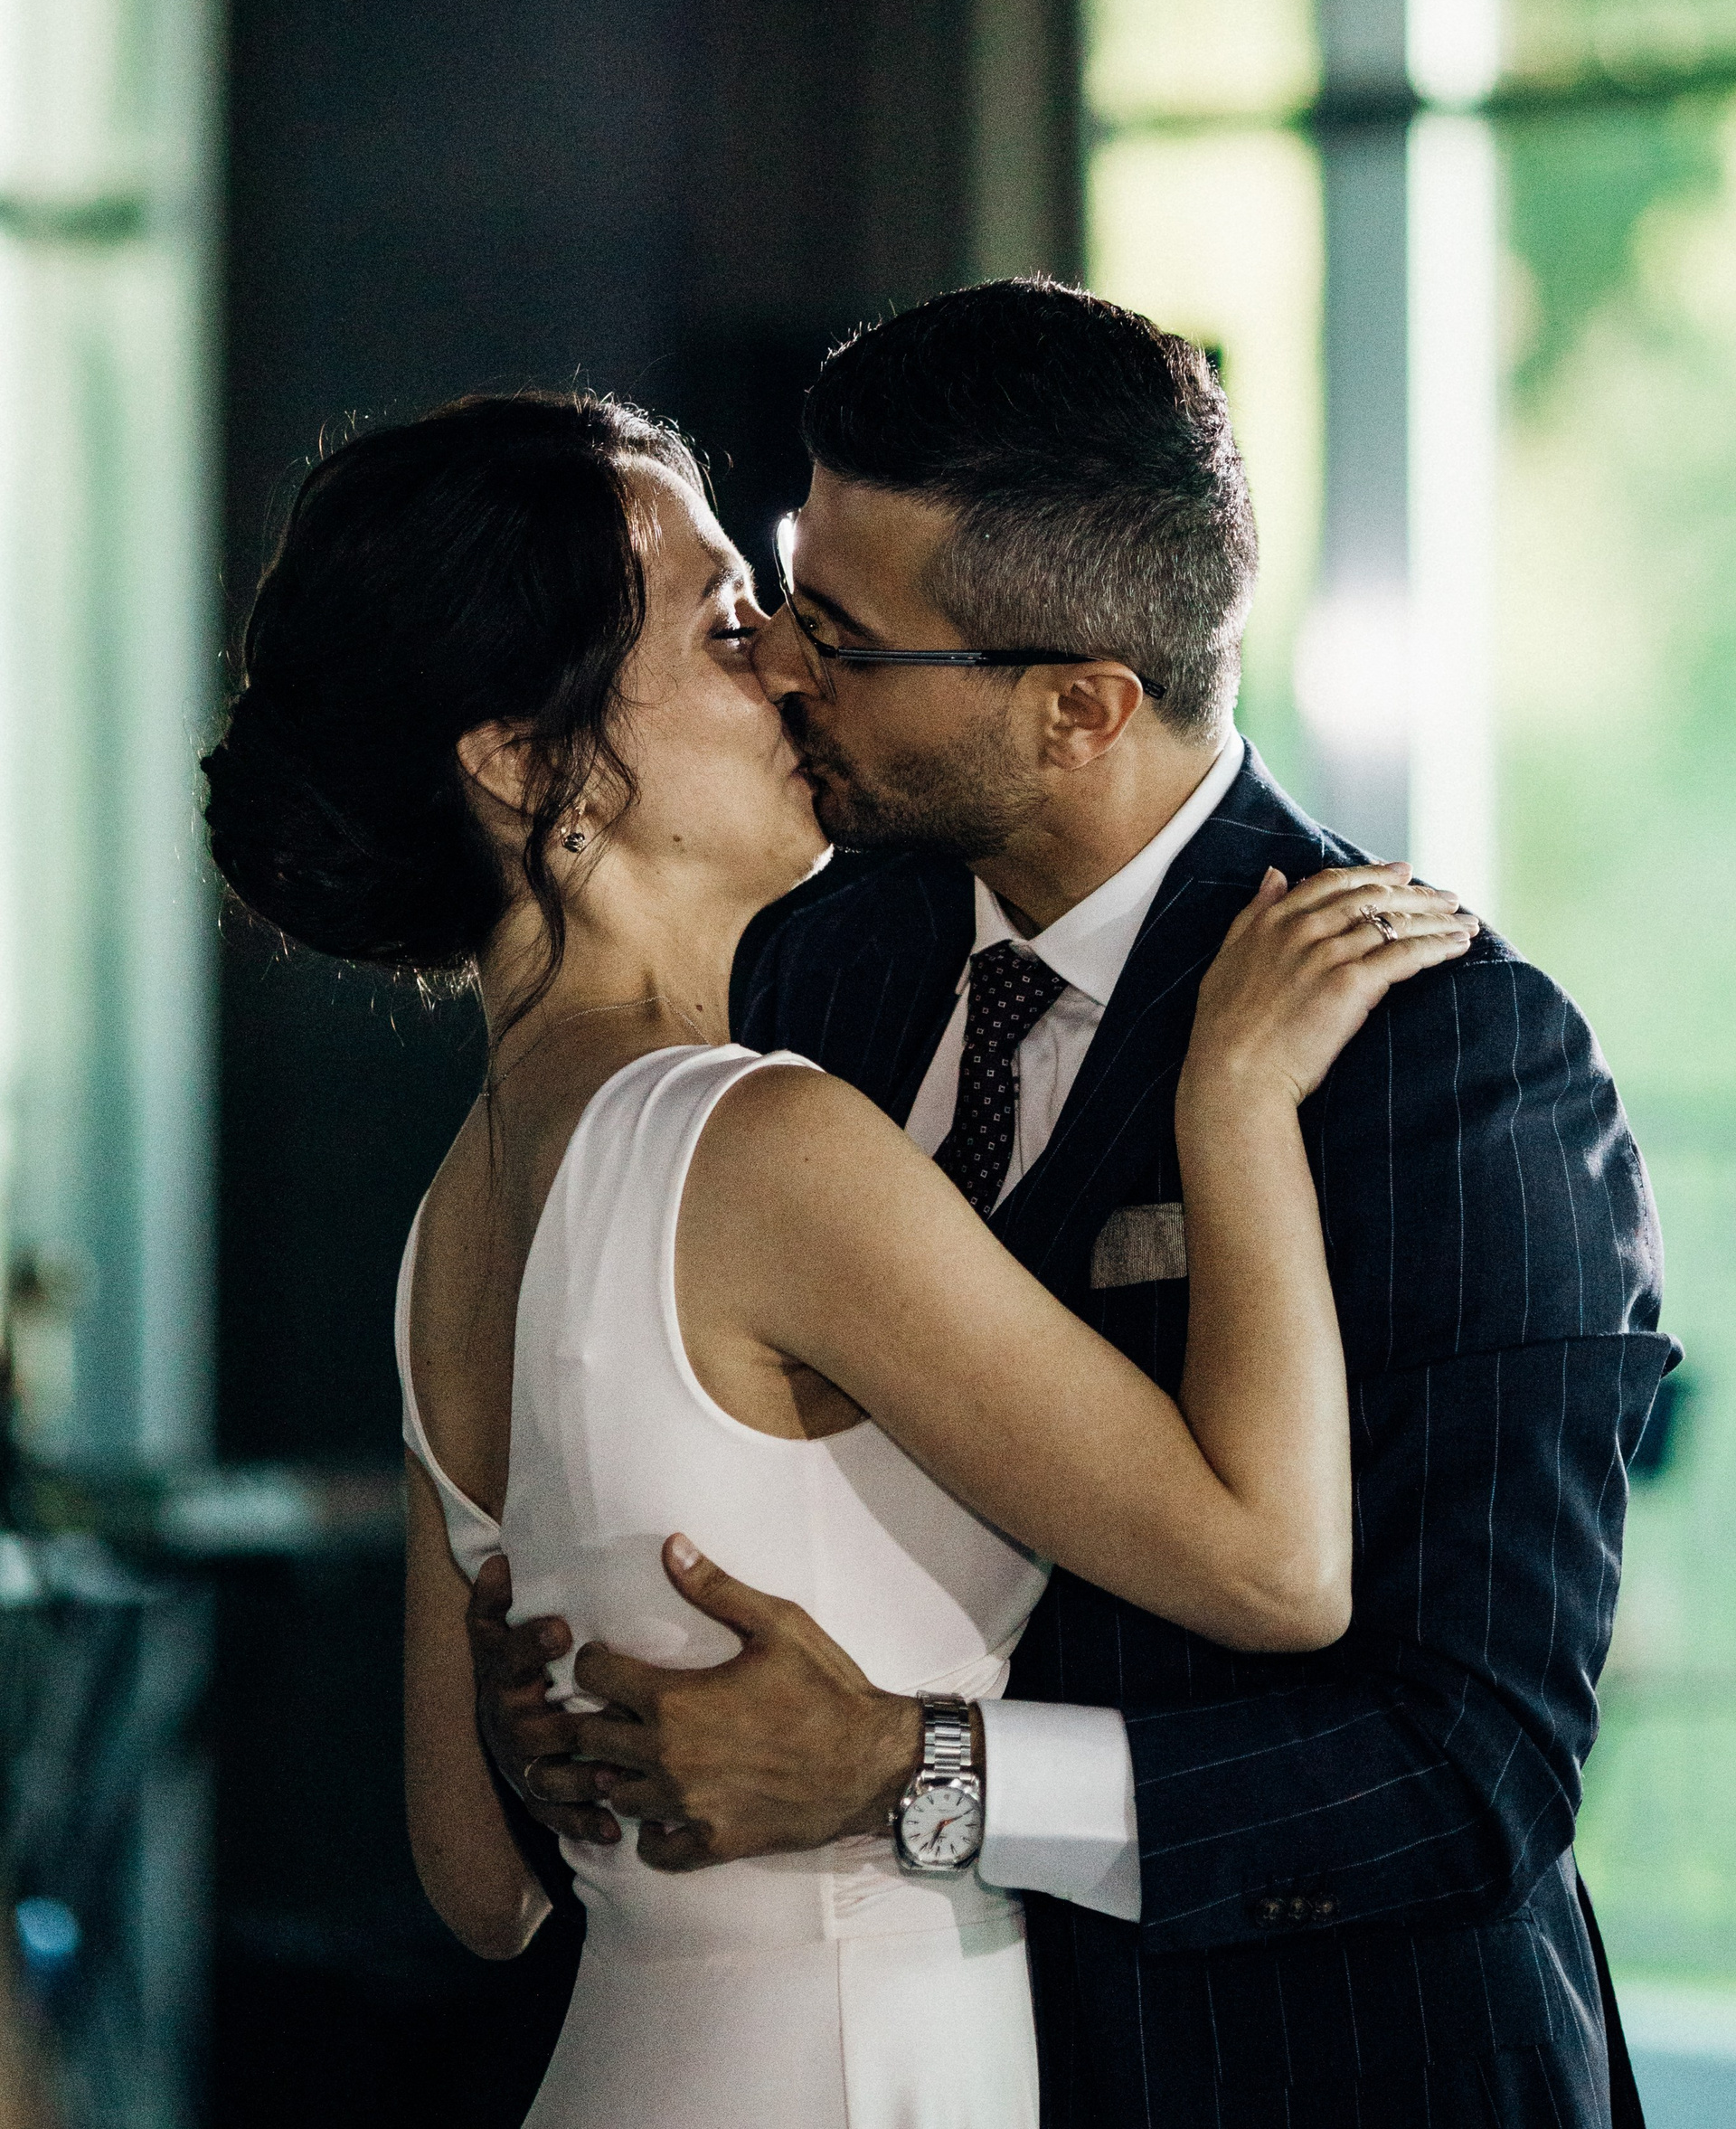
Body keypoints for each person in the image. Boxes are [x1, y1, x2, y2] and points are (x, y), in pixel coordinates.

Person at [477, 281, 1677, 2129]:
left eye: (841, 639)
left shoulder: (1445, 1060)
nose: (781, 666)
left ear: (1079, 709)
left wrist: (917, 1773)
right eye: (785, 591)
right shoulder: (810, 971)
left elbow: (1473, 1771)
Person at [201, 385, 1469, 2129]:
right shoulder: (758, 1145)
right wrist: (1233, 1105)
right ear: (524, 763)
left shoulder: (448, 1216)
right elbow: (1274, 1567)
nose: (795, 666)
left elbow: (479, 1886)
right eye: (727, 627)